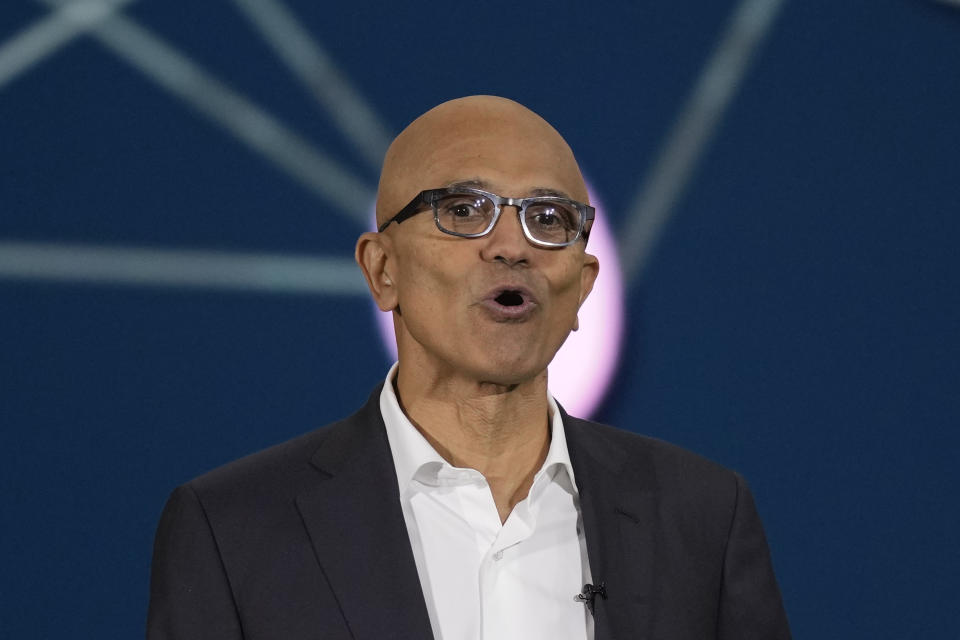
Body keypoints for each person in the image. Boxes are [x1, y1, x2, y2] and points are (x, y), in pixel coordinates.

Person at [146, 96, 791, 640]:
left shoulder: (703, 518)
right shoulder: (232, 531)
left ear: (584, 286)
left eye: (549, 219)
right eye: (463, 209)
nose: (511, 247)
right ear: (382, 269)